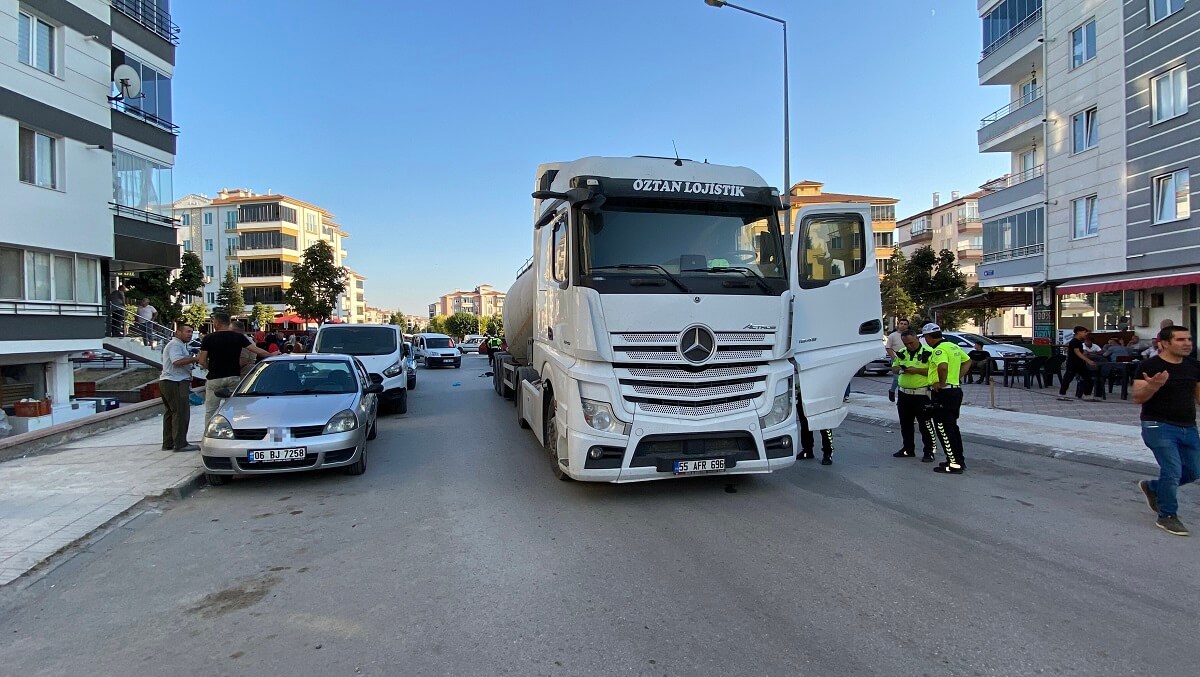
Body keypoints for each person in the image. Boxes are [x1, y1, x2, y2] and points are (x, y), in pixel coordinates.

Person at [1132, 325, 1200, 537]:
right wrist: (1153, 386)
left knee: (1194, 471)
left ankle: (1153, 488)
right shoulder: (1149, 365)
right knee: (1172, 470)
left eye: (1189, 339)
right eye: (1180, 340)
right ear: (1165, 343)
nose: (1187, 343)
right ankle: (1167, 515)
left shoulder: (1194, 366)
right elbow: (1138, 398)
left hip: (1188, 426)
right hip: (1157, 425)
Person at [199, 312, 277, 426]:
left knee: (211, 410)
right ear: (228, 323)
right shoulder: (238, 337)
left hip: (214, 377)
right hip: (234, 376)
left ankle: (210, 434)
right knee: (235, 408)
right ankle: (235, 432)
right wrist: (272, 355)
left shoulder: (208, 338)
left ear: (217, 323)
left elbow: (202, 361)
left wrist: (210, 367)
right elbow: (257, 350)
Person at [922, 323, 971, 474]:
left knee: (944, 429)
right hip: (955, 391)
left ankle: (954, 465)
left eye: (925, 338)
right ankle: (957, 460)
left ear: (928, 337)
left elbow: (942, 366)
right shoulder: (952, 346)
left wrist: (941, 383)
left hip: (944, 393)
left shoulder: (939, 350)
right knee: (952, 428)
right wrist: (956, 377)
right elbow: (968, 361)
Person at [891, 330, 936, 462]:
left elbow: (935, 371)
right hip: (904, 393)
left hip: (922, 394)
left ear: (917, 339)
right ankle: (908, 449)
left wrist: (916, 370)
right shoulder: (902, 352)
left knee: (925, 424)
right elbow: (894, 367)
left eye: (911, 343)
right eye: (906, 344)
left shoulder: (929, 352)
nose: (909, 346)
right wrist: (899, 368)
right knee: (905, 423)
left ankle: (929, 451)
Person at [159, 322, 200, 452]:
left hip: (170, 381)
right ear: (178, 332)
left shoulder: (178, 345)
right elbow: (177, 361)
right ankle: (180, 444)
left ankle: (169, 442)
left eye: (191, 332)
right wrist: (195, 359)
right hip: (175, 382)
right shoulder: (175, 345)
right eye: (187, 331)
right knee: (180, 413)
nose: (190, 334)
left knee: (171, 413)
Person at [1058, 326, 1097, 401]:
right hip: (1073, 364)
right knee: (1068, 379)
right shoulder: (1074, 341)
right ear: (1078, 332)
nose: (1085, 334)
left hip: (1080, 364)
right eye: (1084, 332)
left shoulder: (1079, 341)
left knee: (1088, 378)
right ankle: (1061, 394)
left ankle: (1087, 395)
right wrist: (1088, 360)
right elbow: (1077, 352)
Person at [886, 319, 910, 402]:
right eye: (901, 323)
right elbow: (888, 347)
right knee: (897, 379)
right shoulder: (893, 336)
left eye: (905, 324)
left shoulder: (910, 335)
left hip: (907, 360)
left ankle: (901, 398)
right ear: (898, 324)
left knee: (903, 379)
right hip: (896, 359)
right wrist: (893, 357)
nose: (903, 325)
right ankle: (892, 391)